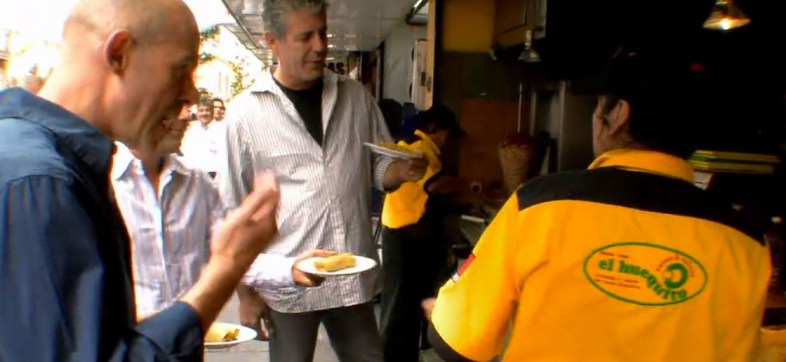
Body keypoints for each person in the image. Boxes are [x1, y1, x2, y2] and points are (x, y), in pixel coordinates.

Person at [423, 48, 771, 361]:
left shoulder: (539, 206)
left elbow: (460, 341)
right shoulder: (748, 242)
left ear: (618, 114)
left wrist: (443, 312)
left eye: (598, 104)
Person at [0, 0, 279, 361]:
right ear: (119, 53)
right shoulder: (42, 183)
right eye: (181, 70)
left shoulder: (43, 162)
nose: (191, 96)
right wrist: (226, 267)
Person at [218, 0, 427, 361]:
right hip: (287, 282)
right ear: (272, 41)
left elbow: (376, 167)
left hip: (351, 275)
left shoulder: (355, 96)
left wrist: (399, 173)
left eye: (322, 33)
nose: (320, 46)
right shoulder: (244, 115)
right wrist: (246, 293)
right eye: (305, 37)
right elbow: (230, 211)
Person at [111, 106, 223, 319]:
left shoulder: (197, 181)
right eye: (174, 104)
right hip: (125, 341)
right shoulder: (102, 181)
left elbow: (225, 252)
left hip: (185, 336)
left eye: (187, 107)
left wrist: (289, 269)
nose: (185, 116)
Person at [379, 105, 465, 362]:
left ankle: (405, 356)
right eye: (447, 134)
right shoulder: (417, 147)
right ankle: (391, 357)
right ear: (433, 129)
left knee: (410, 304)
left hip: (411, 236)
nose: (448, 141)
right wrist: (468, 186)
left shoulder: (423, 146)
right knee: (399, 307)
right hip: (404, 235)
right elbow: (435, 184)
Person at [181, 98, 225, 178]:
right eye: (201, 110)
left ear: (212, 111)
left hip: (215, 176)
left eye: (207, 110)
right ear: (197, 112)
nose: (204, 113)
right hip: (194, 176)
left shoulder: (222, 130)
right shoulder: (191, 130)